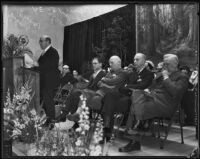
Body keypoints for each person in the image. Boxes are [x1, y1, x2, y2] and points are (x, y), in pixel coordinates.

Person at [119, 54, 189, 152]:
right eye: (164, 63)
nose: (165, 66)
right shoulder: (162, 73)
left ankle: (135, 137)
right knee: (136, 96)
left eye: (167, 64)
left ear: (175, 64)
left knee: (138, 106)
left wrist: (165, 77)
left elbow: (175, 91)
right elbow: (152, 86)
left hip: (165, 104)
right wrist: (149, 88)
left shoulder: (182, 77)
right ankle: (139, 130)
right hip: (153, 98)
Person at [100, 53, 154, 143]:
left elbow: (142, 86)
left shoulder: (149, 73)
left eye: (137, 59)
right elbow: (124, 85)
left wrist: (127, 85)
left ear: (144, 61)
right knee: (109, 96)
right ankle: (107, 129)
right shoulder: (132, 72)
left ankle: (107, 131)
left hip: (135, 99)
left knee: (108, 101)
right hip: (125, 94)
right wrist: (127, 85)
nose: (134, 61)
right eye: (134, 59)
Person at [57, 57, 106, 121]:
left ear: (100, 64)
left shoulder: (103, 74)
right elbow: (85, 81)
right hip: (88, 90)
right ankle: (64, 114)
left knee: (82, 92)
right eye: (93, 63)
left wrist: (84, 86)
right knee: (74, 93)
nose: (93, 65)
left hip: (95, 92)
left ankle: (77, 114)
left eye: (95, 63)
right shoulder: (93, 74)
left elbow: (98, 86)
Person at [36, 35, 60, 128]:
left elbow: (49, 66)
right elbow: (41, 65)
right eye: (40, 41)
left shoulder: (53, 52)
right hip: (44, 81)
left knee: (49, 102)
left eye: (41, 41)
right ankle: (48, 120)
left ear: (48, 41)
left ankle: (51, 123)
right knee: (46, 102)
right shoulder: (44, 53)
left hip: (49, 82)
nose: (40, 43)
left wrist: (36, 67)